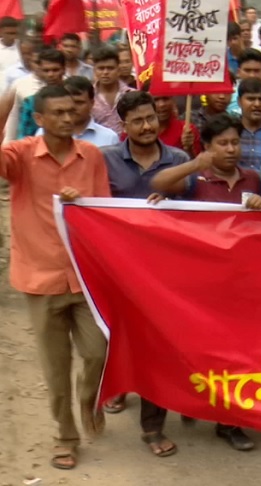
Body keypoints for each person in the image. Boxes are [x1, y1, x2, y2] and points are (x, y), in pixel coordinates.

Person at [0, 85, 111, 470]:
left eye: (72, 111)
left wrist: (81, 204)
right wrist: (4, 106)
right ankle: (65, 437)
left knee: (97, 353)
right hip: (40, 278)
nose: (68, 118)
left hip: (85, 277)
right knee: (56, 367)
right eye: (58, 113)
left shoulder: (91, 155)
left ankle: (89, 401)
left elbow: (105, 211)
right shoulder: (21, 155)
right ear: (39, 119)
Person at [150, 114, 261, 452]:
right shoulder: (194, 180)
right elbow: (159, 182)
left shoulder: (253, 179)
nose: (231, 149)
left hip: (239, 283)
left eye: (235, 142)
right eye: (223, 144)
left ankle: (229, 423)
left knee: (236, 356)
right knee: (195, 351)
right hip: (199, 284)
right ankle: (192, 402)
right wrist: (193, 165)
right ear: (208, 147)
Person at [100, 91, 190, 454]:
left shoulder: (179, 159)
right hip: (119, 267)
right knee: (119, 336)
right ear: (124, 125)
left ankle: (152, 428)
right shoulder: (105, 160)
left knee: (159, 345)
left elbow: (197, 209)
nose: (146, 126)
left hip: (167, 270)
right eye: (137, 121)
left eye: (150, 118)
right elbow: (94, 206)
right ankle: (122, 383)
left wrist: (172, 203)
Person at [0, 48, 65, 144]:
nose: (51, 74)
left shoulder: (72, 89)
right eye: (46, 70)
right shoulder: (23, 89)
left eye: (55, 70)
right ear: (39, 69)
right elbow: (13, 120)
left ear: (63, 69)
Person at [36, 76, 118, 147]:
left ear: (92, 103)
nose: (73, 107)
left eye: (79, 102)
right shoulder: (43, 133)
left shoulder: (109, 137)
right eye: (68, 102)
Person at [91, 46, 133, 134]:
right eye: (101, 68)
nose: (105, 72)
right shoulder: (88, 97)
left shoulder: (131, 95)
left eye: (110, 68)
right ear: (94, 70)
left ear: (118, 69)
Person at [226, 48, 261, 116]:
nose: (252, 75)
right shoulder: (228, 97)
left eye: (256, 71)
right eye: (247, 70)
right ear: (238, 72)